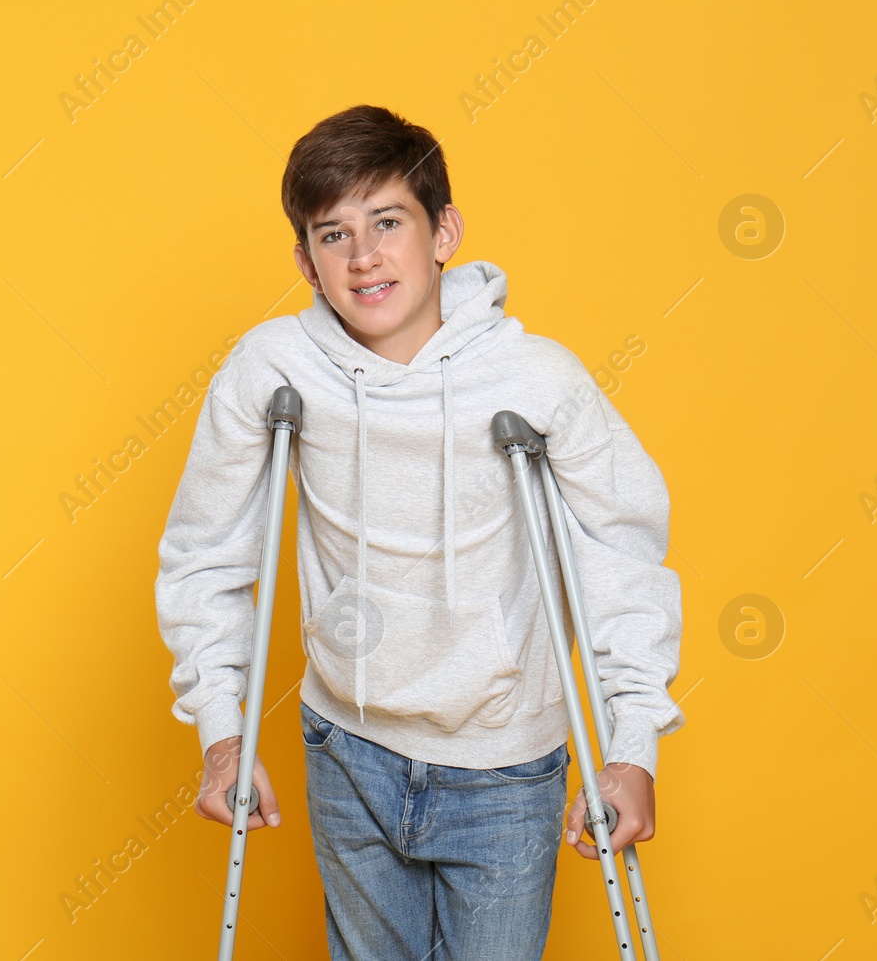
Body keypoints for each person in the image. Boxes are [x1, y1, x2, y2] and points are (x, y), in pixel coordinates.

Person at [154, 104, 685, 960]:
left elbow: (621, 558)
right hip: (347, 748)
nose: (363, 256)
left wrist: (633, 746)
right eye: (333, 235)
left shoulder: (536, 378)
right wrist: (223, 730)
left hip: (505, 763)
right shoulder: (272, 369)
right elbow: (205, 554)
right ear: (306, 261)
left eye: (388, 222)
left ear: (444, 231)